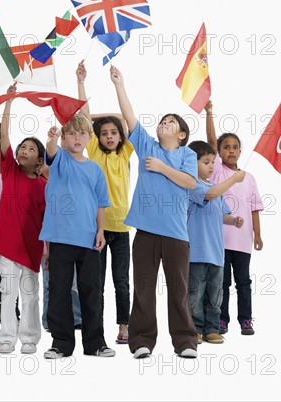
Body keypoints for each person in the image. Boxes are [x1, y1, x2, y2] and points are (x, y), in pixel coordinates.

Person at [110, 65, 199, 359]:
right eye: (162, 121)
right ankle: (142, 341)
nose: (164, 124)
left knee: (179, 290)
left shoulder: (187, 155)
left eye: (171, 122)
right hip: (146, 232)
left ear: (182, 134)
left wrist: (161, 167)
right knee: (143, 289)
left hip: (176, 234)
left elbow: (189, 182)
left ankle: (185, 342)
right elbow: (129, 116)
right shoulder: (147, 145)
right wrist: (119, 85)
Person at [40, 113, 115, 359]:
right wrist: (51, 139)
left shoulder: (95, 170)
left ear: (89, 138)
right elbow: (50, 152)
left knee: (92, 291)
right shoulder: (59, 159)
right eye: (71, 133)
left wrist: (101, 231)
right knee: (59, 290)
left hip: (89, 240)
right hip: (61, 238)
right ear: (63, 138)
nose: (77, 137)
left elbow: (100, 205)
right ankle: (61, 343)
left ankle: (95, 343)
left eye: (82, 133)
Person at [77, 60, 132, 344]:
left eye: (114, 133)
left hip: (121, 228)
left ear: (121, 137)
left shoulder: (125, 153)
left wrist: (117, 85)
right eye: (104, 133)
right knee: (94, 284)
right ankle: (94, 328)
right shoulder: (95, 151)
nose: (109, 136)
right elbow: (85, 120)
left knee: (121, 282)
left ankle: (124, 327)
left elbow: (126, 119)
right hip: (94, 227)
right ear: (97, 138)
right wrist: (81, 82)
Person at [0, 87, 47, 355]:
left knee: (30, 295)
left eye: (31, 149)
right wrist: (8, 102)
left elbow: (47, 220)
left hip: (31, 247)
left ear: (39, 159)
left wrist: (47, 250)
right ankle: (6, 337)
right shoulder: (10, 170)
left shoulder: (43, 185)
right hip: (7, 245)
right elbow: (4, 134)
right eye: (22, 147)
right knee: (7, 292)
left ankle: (29, 338)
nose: (25, 150)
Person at [205, 101, 264, 335]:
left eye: (235, 147)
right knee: (222, 283)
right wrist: (210, 113)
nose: (231, 150)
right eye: (226, 147)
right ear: (219, 152)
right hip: (219, 239)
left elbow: (255, 208)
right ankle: (222, 319)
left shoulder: (248, 177)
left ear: (240, 151)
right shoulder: (217, 171)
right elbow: (210, 140)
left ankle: (246, 319)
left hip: (242, 241)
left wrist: (257, 235)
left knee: (244, 282)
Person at [186, 141, 245, 344]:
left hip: (217, 254)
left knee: (215, 294)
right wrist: (234, 179)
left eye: (212, 162)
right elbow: (210, 196)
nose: (211, 166)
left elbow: (223, 214)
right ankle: (195, 328)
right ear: (190, 163)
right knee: (195, 294)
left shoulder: (214, 187)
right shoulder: (191, 185)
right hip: (196, 253)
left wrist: (233, 220)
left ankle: (212, 328)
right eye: (206, 162)